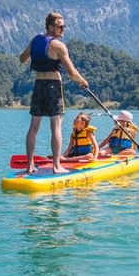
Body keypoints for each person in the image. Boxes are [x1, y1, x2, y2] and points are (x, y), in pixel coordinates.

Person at [19, 12, 89, 174]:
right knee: (56, 126)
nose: (63, 29)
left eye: (64, 26)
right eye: (60, 26)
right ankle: (56, 166)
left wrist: (34, 52)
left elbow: (22, 58)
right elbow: (72, 72)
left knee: (33, 126)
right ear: (51, 27)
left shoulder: (35, 40)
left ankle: (29, 166)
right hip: (53, 86)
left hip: (38, 85)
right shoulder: (58, 46)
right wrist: (82, 82)